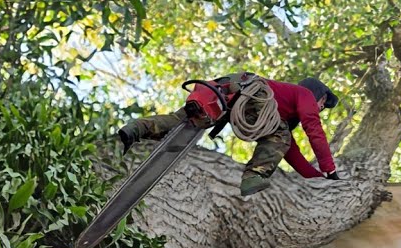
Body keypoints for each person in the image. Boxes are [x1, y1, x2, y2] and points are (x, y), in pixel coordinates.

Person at [119, 73, 342, 196]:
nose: (322, 106)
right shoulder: (304, 94)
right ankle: (253, 176)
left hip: (228, 91)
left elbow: (288, 151)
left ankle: (136, 128)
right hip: (250, 95)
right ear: (316, 93)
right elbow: (314, 130)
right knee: (280, 134)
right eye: (323, 101)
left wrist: (317, 177)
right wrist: (329, 169)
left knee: (183, 120)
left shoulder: (282, 116)